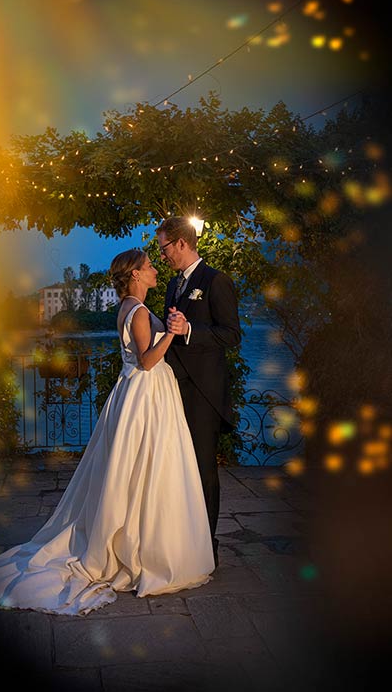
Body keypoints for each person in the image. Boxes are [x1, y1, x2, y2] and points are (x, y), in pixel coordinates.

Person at [0, 249, 215, 616]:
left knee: (138, 468)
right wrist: (170, 333)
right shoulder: (136, 311)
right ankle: (138, 550)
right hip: (146, 393)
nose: (155, 270)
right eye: (150, 266)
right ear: (135, 274)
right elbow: (148, 360)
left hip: (140, 393)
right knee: (146, 466)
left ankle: (142, 538)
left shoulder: (131, 306)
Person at [156, 217, 241, 568]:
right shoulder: (173, 285)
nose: (162, 256)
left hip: (203, 393)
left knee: (204, 470)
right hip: (173, 391)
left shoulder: (216, 281)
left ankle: (207, 546)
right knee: (178, 469)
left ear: (180, 243)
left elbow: (232, 335)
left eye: (163, 248)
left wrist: (190, 328)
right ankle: (184, 541)